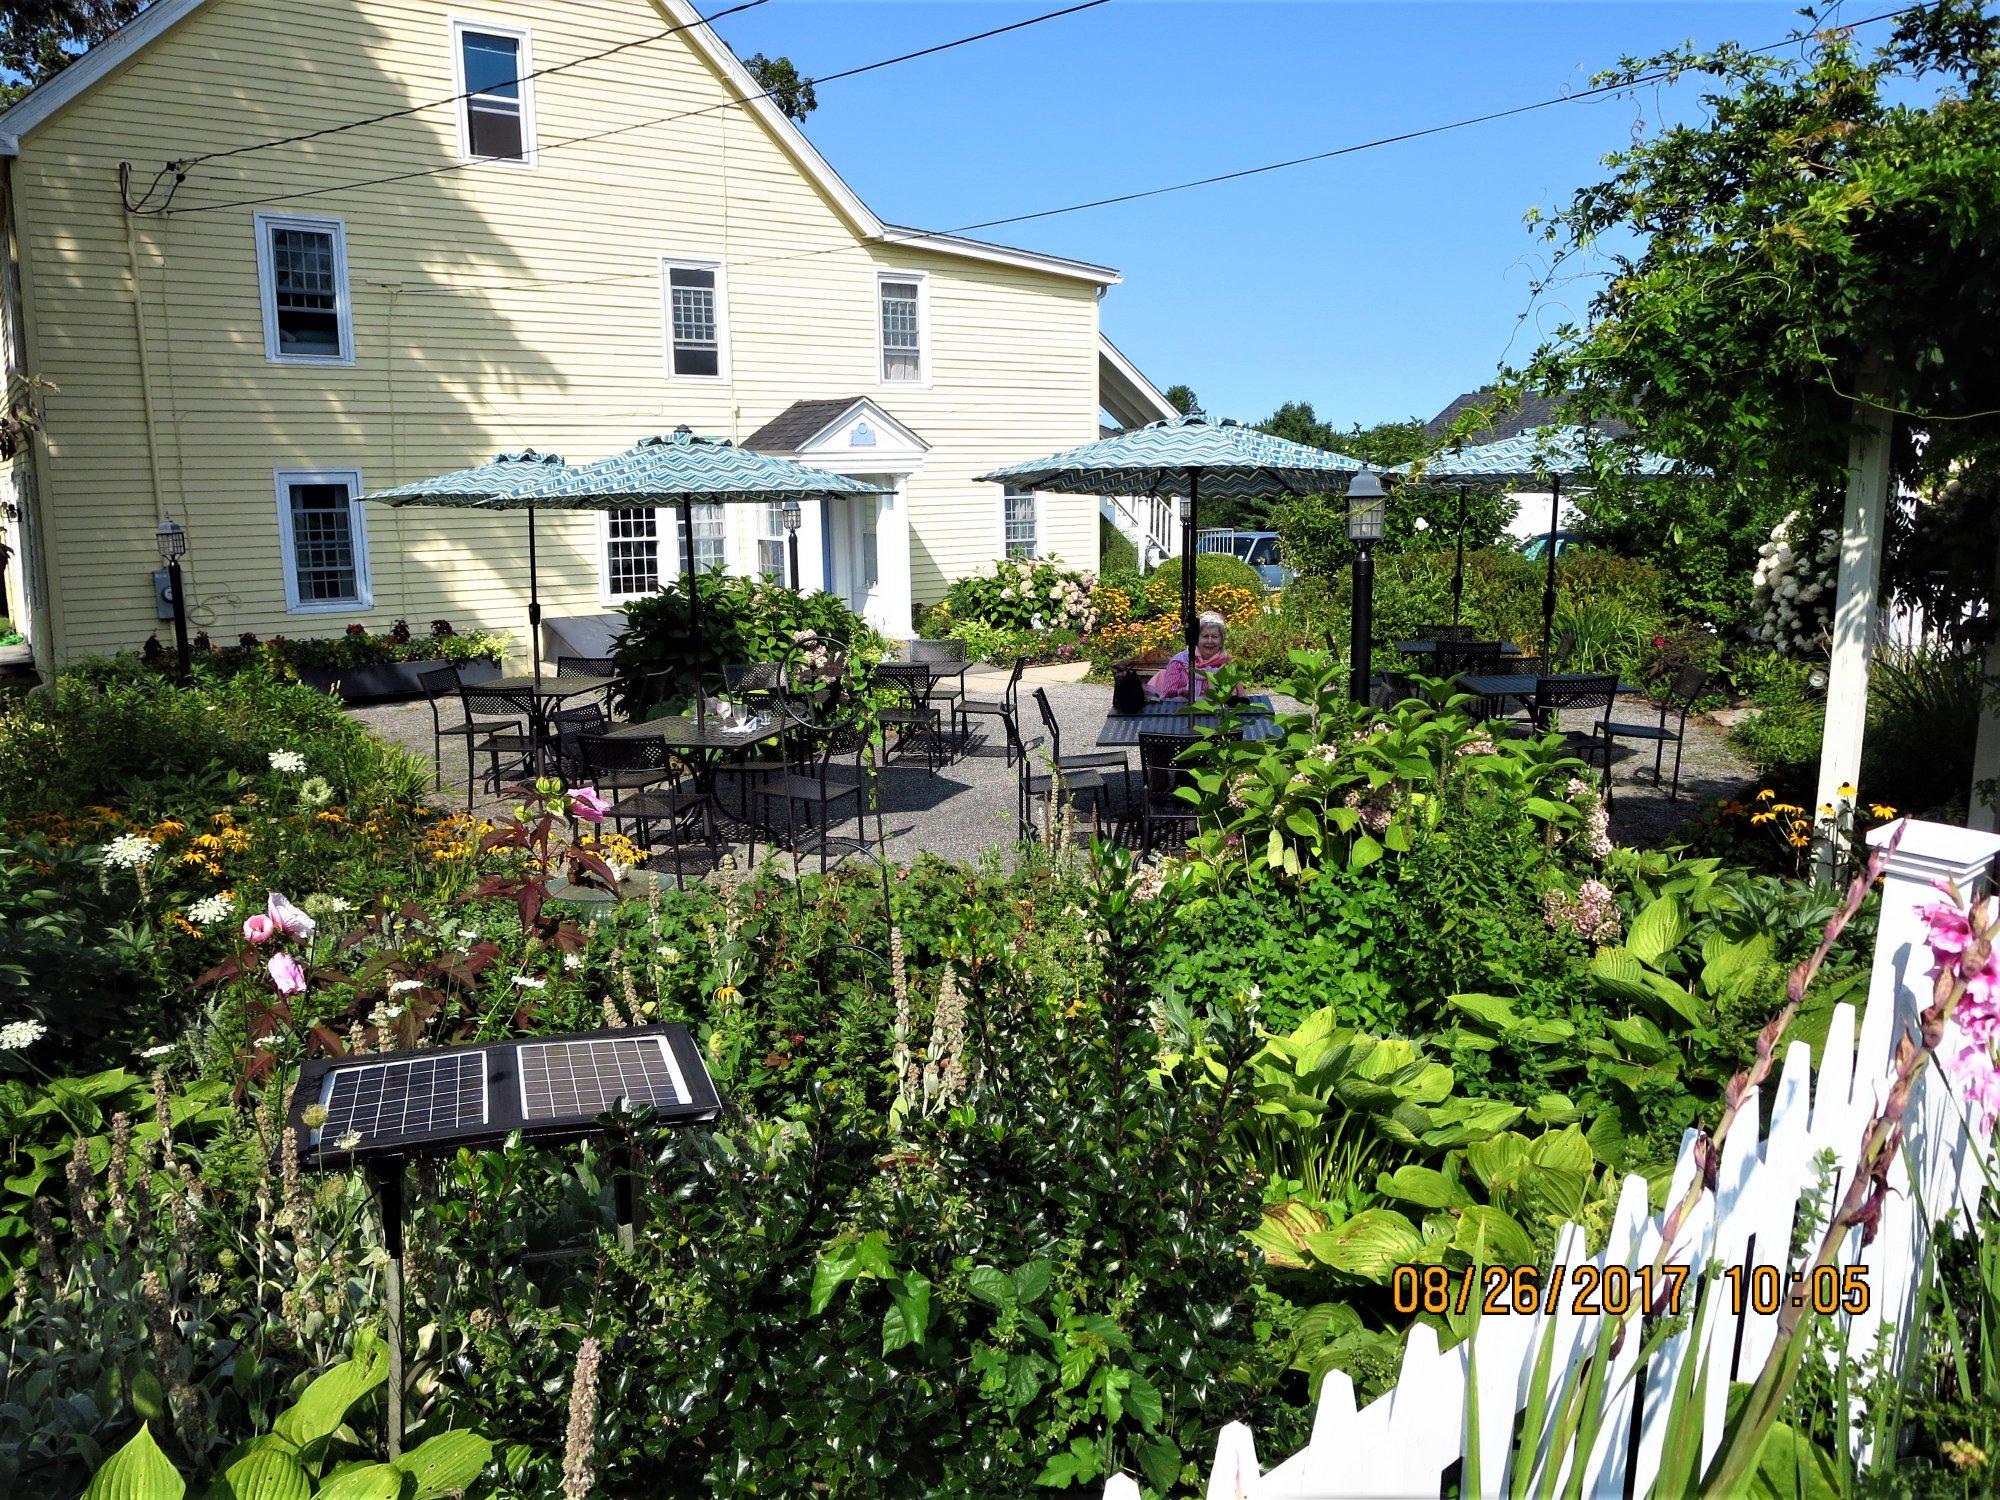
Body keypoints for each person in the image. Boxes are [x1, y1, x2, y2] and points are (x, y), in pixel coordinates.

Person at [1145, 612, 1234, 701]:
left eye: (1214, 637)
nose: (1209, 641)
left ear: (1221, 641)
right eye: (1205, 636)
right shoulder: (1179, 662)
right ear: (1196, 639)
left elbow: (1230, 700)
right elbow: (1168, 697)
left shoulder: (1227, 665)